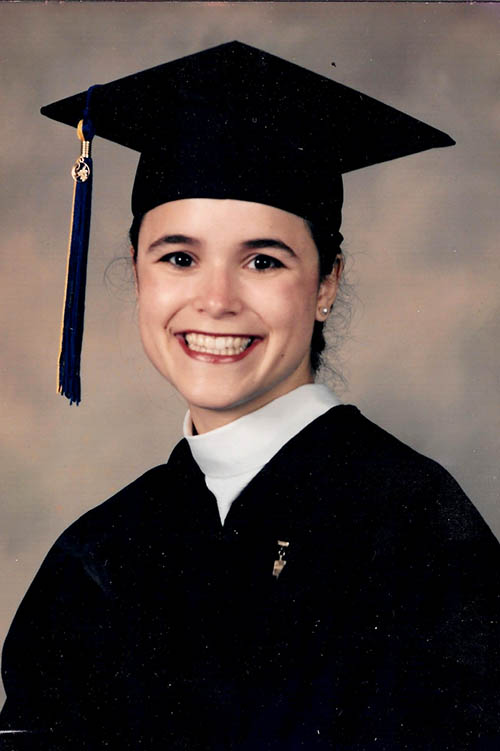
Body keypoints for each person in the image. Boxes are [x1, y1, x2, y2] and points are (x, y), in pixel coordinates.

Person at [1, 41, 500, 750]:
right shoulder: (96, 554)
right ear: (139, 274)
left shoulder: (420, 534)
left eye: (263, 260)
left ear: (326, 282)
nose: (215, 299)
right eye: (179, 256)